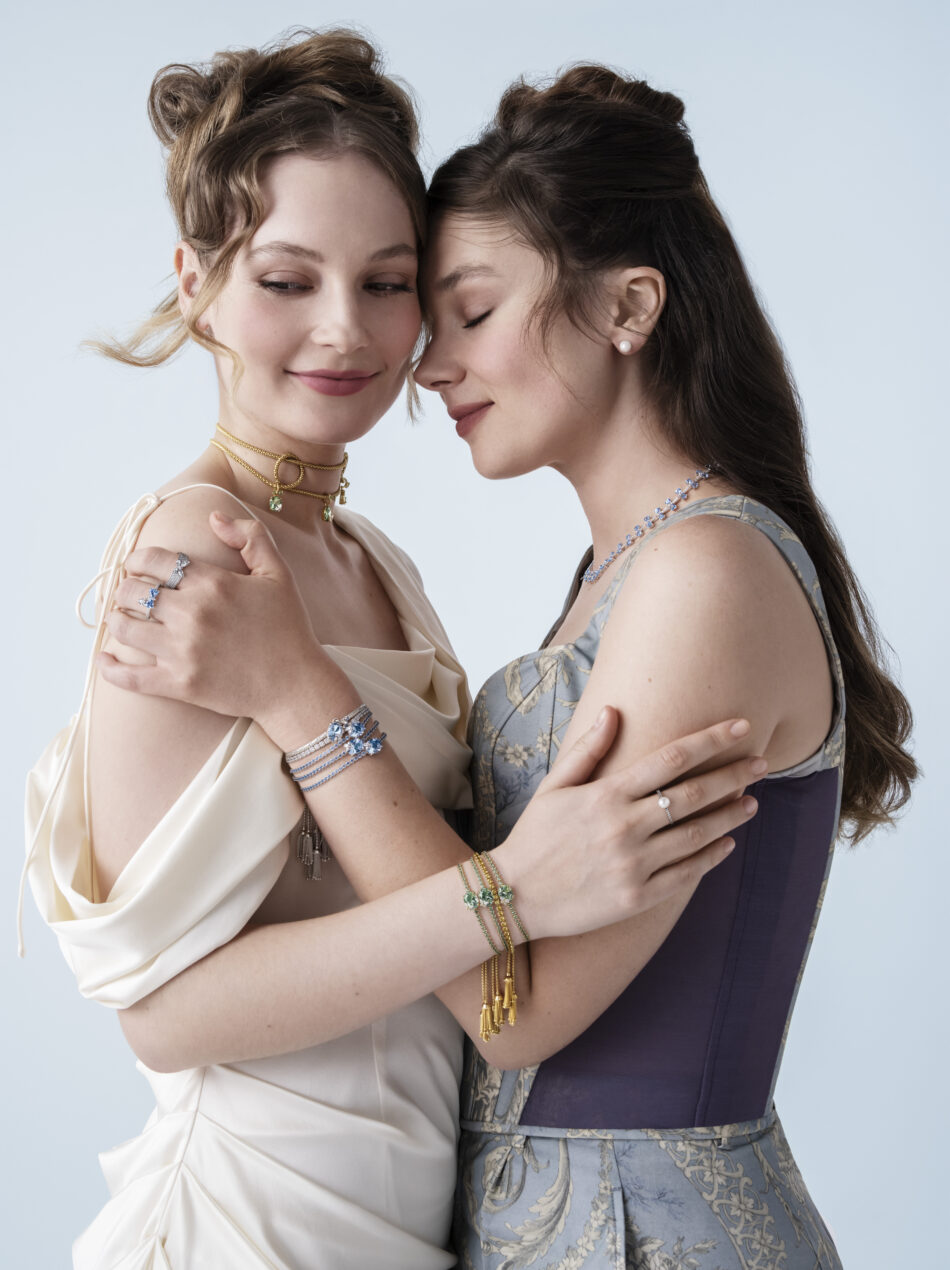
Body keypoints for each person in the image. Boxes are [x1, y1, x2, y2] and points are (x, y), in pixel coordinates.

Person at [97, 62, 918, 1269]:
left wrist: (302, 695)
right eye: (290, 280)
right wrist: (512, 883)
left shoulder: (700, 570)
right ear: (198, 284)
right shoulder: (621, 570)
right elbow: (176, 998)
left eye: (463, 310)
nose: (425, 362)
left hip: (644, 1234)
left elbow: (516, 1005)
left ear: (627, 306)